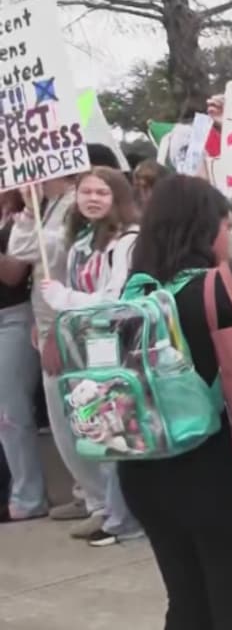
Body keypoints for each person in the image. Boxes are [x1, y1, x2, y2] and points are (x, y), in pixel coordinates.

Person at [118, 174, 232, 630]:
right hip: (221, 474)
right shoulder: (218, 287)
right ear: (207, 229)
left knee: (187, 607)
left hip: (147, 472)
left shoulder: (135, 293)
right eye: (226, 222)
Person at [40, 167, 145, 547]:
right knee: (99, 428)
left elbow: (116, 299)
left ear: (118, 197)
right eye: (86, 192)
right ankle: (114, 513)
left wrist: (64, 299)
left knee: (118, 429)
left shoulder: (128, 240)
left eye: (102, 192)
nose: (93, 199)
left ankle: (124, 518)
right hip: (87, 345)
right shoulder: (83, 239)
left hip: (115, 345)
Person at [8, 173, 105, 535]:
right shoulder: (47, 206)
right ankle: (93, 496)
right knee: (65, 419)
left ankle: (104, 503)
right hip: (50, 322)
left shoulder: (71, 205)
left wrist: (55, 328)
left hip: (70, 325)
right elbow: (25, 252)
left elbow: (47, 253)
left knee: (79, 417)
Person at [0, 190, 43, 522]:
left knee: (10, 409)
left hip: (14, 316)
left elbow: (13, 275)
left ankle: (28, 497)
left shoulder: (25, 219)